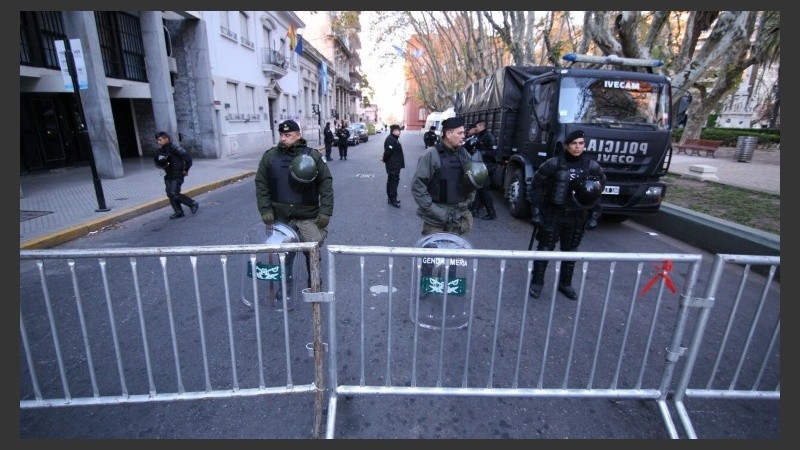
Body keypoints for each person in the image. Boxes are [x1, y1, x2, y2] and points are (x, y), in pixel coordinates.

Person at [527, 129, 606, 300]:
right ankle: (537, 282)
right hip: (553, 214)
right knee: (545, 250)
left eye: (581, 144)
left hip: (577, 216)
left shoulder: (591, 167)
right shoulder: (553, 164)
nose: (577, 147)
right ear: (566, 145)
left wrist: (594, 216)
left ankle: (565, 284)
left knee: (570, 252)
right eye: (574, 144)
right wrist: (535, 212)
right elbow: (536, 187)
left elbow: (598, 192)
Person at [255, 119, 334, 289]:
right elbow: (261, 184)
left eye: (288, 135)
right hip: (281, 217)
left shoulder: (313, 156)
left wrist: (325, 212)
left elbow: (325, 184)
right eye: (282, 134)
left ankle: (314, 280)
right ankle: (285, 284)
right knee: (285, 253)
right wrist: (265, 210)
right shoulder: (270, 156)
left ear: (298, 135)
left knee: (311, 250)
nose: (283, 138)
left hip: (308, 216)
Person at [411, 116, 483, 236]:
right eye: (459, 133)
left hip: (459, 219)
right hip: (436, 222)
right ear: (448, 134)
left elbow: (471, 180)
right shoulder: (431, 155)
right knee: (435, 254)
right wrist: (436, 211)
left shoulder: (464, 154)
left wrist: (469, 200)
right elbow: (418, 187)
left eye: (463, 133)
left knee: (457, 253)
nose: (463, 136)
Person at [154, 131, 199, 219]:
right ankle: (178, 212)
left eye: (160, 140)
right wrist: (161, 162)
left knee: (174, 192)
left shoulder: (175, 148)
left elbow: (188, 159)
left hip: (177, 173)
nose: (158, 142)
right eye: (157, 140)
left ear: (166, 139)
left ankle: (192, 203)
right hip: (168, 174)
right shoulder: (160, 150)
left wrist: (186, 170)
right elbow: (157, 162)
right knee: (170, 193)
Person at [470, 120, 498, 220]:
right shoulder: (479, 135)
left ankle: (491, 213)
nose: (475, 128)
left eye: (477, 126)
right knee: (479, 188)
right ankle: (475, 210)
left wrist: (483, 152)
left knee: (484, 190)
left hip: (488, 166)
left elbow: (494, 153)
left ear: (482, 126)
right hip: (481, 165)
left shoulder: (489, 136)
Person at [381, 124, 405, 208]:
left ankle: (391, 198)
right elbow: (388, 152)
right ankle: (392, 199)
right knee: (393, 182)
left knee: (393, 181)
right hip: (393, 165)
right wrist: (384, 159)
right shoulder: (391, 140)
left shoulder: (394, 139)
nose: (400, 132)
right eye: (398, 130)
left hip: (395, 165)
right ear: (393, 131)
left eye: (400, 130)